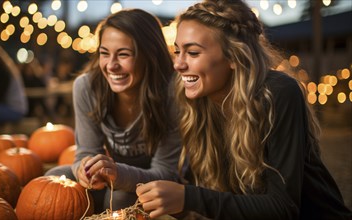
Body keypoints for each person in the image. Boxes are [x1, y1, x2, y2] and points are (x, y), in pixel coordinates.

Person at [136, 0, 352, 219]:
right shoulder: (197, 101)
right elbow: (217, 199)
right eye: (177, 51)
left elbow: (284, 207)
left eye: (192, 53)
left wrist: (189, 198)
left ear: (233, 56)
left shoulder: (279, 93)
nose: (178, 64)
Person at [45, 9, 181, 213]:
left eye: (124, 54)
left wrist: (119, 175)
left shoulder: (172, 92)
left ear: (150, 55)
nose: (111, 65)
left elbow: (166, 172)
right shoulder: (87, 87)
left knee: (119, 198)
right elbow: (86, 153)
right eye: (104, 53)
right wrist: (84, 169)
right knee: (54, 178)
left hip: (156, 182)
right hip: (112, 172)